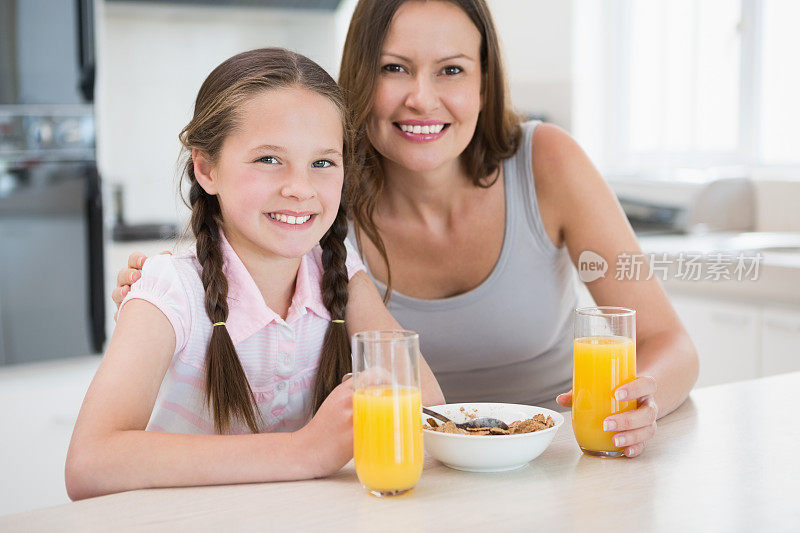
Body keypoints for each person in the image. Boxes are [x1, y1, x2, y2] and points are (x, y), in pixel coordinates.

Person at [112, 0, 698, 458]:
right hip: (410, 464)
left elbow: (670, 344)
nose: (423, 98)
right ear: (359, 80)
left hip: (552, 454)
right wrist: (165, 289)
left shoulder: (549, 163)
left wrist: (636, 401)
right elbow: (237, 260)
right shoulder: (323, 199)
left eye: (451, 70)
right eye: (395, 68)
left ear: (484, 84)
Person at [65, 48, 444, 501]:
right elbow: (89, 465)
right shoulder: (170, 288)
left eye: (323, 162)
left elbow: (430, 417)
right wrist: (302, 452)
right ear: (206, 167)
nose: (299, 188)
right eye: (268, 159)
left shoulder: (340, 271)